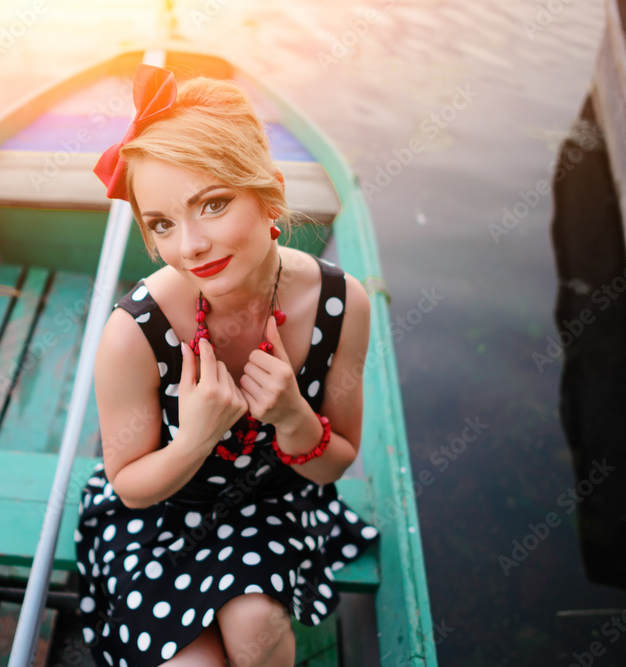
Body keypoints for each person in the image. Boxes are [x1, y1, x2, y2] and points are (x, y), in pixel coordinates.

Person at [74, 63, 379, 667]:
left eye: (212, 204)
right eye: (163, 223)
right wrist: (195, 439)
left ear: (270, 190)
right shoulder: (134, 334)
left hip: (273, 502)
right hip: (159, 514)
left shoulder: (341, 306)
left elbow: (334, 464)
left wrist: (293, 416)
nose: (189, 245)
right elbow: (130, 488)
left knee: (257, 628)